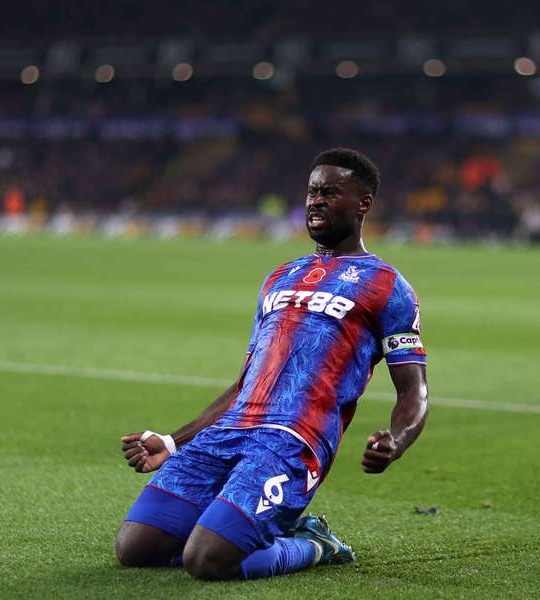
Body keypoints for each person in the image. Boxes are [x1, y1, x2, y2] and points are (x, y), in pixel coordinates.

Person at [116, 148, 429, 580]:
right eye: (312, 192)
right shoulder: (279, 277)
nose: (315, 201)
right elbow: (246, 382)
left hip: (290, 442)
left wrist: (396, 439)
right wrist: (173, 442)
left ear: (363, 203)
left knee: (205, 561)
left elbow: (414, 391)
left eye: (330, 192)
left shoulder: (388, 286)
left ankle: (314, 543)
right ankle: (238, 530)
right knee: (136, 548)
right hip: (229, 432)